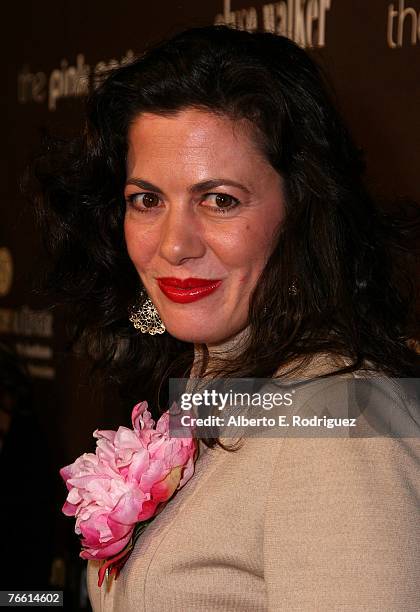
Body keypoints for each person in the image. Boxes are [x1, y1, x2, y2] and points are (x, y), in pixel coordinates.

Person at [33, 25, 420, 611]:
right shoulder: (218, 386)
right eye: (147, 200)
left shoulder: (343, 426)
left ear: (300, 212)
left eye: (219, 200)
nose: (174, 245)